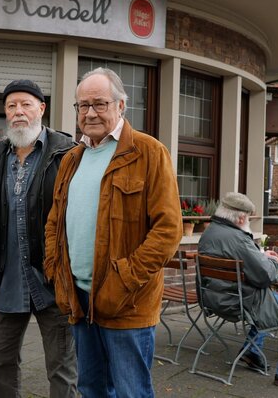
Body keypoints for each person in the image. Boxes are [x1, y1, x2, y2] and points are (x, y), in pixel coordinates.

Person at [44, 67, 182, 398]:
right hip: (79, 298)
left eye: (99, 103)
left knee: (131, 391)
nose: (90, 113)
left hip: (127, 302)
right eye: (83, 105)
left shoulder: (148, 152)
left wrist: (124, 279)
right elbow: (54, 221)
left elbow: (168, 229)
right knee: (91, 388)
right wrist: (54, 267)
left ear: (121, 105)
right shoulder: (72, 159)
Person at [0, 79, 78, 397]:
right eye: (11, 106)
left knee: (62, 368)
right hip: (7, 280)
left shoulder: (67, 152)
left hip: (53, 281)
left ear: (41, 109)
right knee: (1, 363)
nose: (18, 112)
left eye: (26, 104)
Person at [198, 192, 278, 391]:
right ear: (241, 218)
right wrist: (274, 262)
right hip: (238, 301)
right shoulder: (238, 238)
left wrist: (260, 255)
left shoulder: (210, 232)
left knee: (270, 299)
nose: (248, 221)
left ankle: (252, 352)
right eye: (248, 218)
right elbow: (266, 276)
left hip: (213, 297)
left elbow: (238, 257)